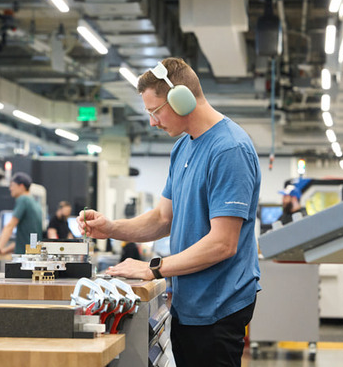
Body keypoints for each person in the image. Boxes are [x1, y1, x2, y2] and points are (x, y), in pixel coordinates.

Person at [80, 57, 261, 367]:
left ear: (182, 99)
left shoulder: (229, 150)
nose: (152, 121)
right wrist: (110, 228)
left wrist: (153, 267)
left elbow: (223, 243)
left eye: (155, 111)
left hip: (219, 306)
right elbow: (163, 218)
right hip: (189, 302)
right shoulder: (183, 147)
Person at [0, 172, 43, 256]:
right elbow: (26, 240)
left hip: (24, 258)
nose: (10, 188)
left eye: (12, 185)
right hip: (33, 255)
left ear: (21, 186)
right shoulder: (35, 203)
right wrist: (4, 251)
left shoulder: (23, 199)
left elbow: (10, 226)